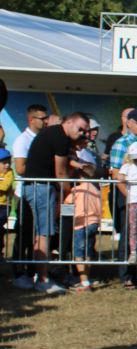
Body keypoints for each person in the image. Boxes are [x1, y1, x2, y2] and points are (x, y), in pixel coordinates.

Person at [23, 111, 89, 294]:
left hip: (34, 187)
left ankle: (37, 276)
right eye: (80, 129)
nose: (82, 133)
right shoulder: (59, 137)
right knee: (44, 234)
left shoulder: (54, 134)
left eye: (85, 131)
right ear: (69, 122)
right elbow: (60, 173)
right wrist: (69, 191)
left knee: (40, 234)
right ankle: (43, 280)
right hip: (42, 188)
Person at [110, 108, 137, 288]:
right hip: (127, 196)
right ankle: (126, 275)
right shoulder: (121, 144)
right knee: (128, 234)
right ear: (129, 123)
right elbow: (116, 174)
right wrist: (130, 196)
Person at [10, 103, 49, 289]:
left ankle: (33, 270)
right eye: (41, 118)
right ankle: (19, 271)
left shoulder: (41, 139)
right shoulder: (22, 140)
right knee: (24, 234)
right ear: (31, 119)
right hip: (25, 193)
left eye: (45, 118)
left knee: (38, 234)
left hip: (38, 192)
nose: (44, 122)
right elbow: (20, 168)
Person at [66, 149, 103, 292]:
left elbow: (68, 204)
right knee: (88, 252)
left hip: (80, 224)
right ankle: (87, 276)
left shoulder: (78, 190)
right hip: (94, 223)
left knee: (78, 253)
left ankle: (84, 281)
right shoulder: (96, 190)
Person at [0, 148, 12, 266]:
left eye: (8, 162)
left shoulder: (9, 173)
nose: (7, 165)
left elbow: (4, 186)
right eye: (4, 163)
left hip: (3, 207)